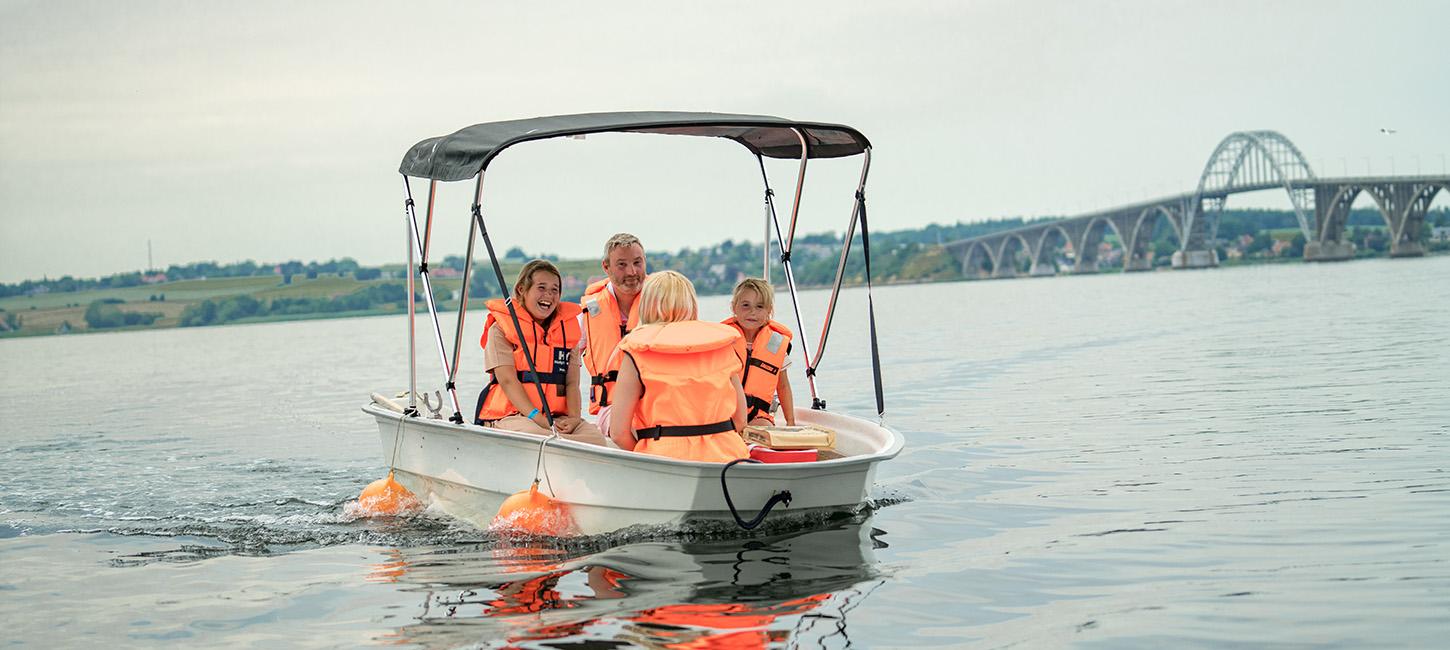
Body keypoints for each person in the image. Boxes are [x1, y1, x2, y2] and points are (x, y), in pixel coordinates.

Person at [607, 271, 750, 462]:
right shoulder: (720, 346)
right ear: (691, 303)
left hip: (665, 461)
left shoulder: (637, 351)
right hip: (726, 458)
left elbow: (618, 433)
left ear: (647, 305)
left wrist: (646, 454)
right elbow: (740, 420)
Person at [475, 259, 608, 447]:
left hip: (557, 417)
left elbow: (571, 383)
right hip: (514, 417)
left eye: (555, 290)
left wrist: (574, 419)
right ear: (522, 289)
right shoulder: (500, 330)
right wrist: (537, 418)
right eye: (541, 288)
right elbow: (507, 380)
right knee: (538, 438)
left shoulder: (567, 332)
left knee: (596, 439)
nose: (549, 295)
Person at [579, 233, 647, 436]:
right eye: (622, 265)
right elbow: (565, 363)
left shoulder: (662, 303)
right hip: (613, 407)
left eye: (637, 262)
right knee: (642, 428)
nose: (632, 272)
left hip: (658, 403)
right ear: (606, 267)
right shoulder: (588, 314)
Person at [722, 278, 796, 426]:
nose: (752, 312)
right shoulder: (723, 341)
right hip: (726, 413)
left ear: (769, 310)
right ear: (733, 307)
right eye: (745, 305)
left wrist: (791, 422)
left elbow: (783, 386)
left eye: (759, 306)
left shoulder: (775, 343)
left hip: (758, 416)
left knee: (765, 429)